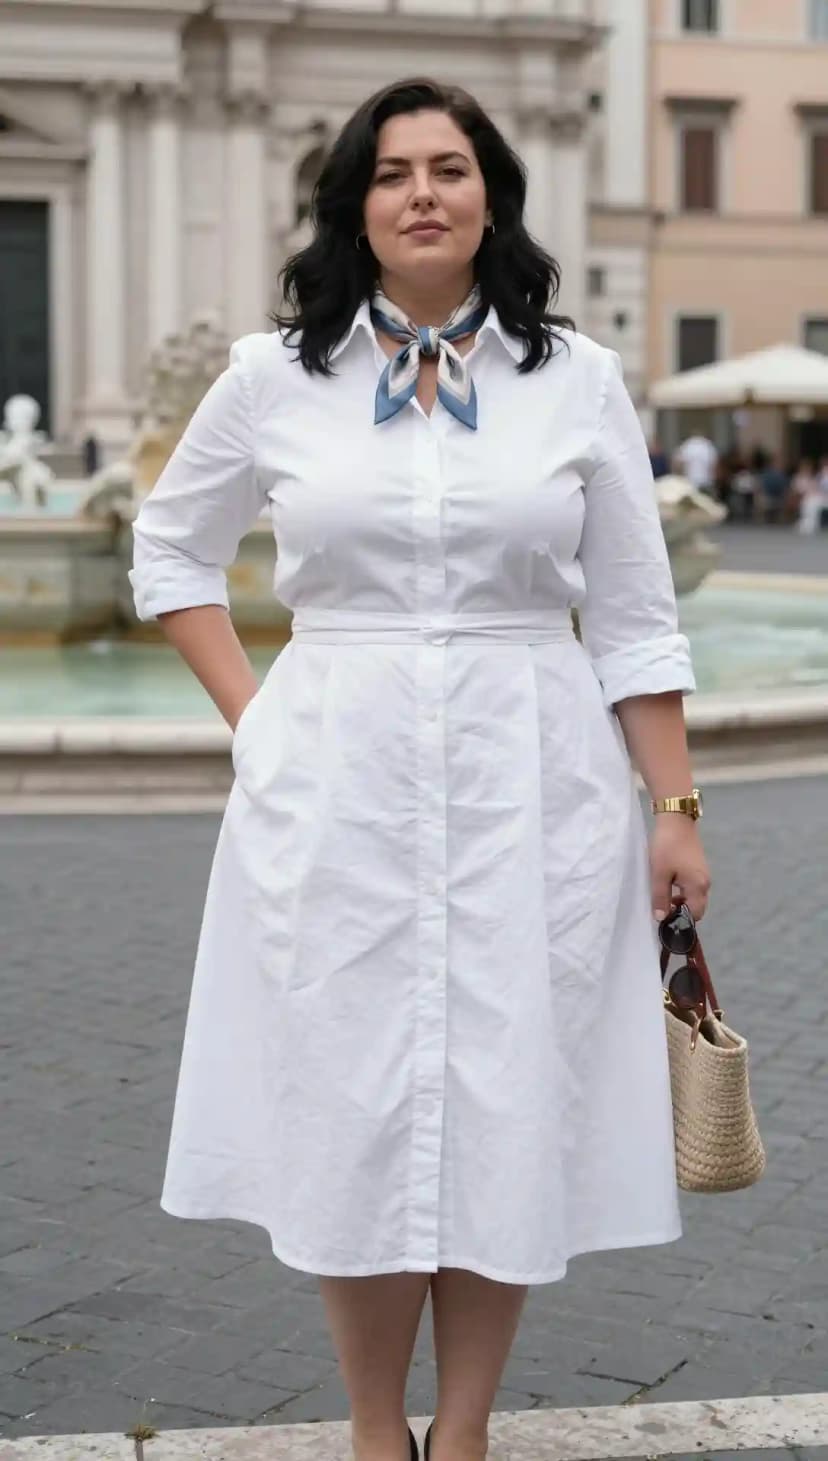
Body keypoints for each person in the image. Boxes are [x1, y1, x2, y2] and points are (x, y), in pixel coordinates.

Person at [128, 76, 711, 1461]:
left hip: (534, 779)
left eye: (450, 168)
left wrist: (677, 807)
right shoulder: (273, 375)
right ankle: (374, 1426)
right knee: (354, 1102)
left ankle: (466, 1428)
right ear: (356, 206)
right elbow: (168, 549)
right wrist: (257, 717)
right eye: (393, 173)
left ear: (491, 196)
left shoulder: (577, 379)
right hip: (335, 778)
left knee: (510, 1095)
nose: (424, 194)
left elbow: (636, 616)